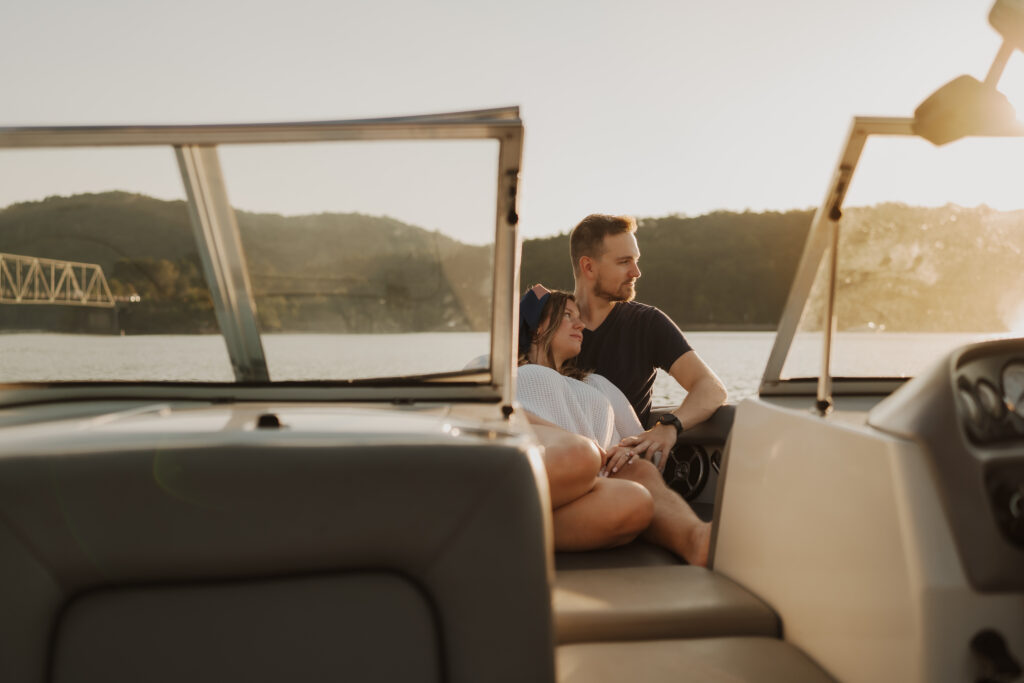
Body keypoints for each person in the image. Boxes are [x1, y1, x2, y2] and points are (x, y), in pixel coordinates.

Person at [517, 285, 711, 565]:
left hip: (596, 484)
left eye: (579, 317)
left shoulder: (598, 385)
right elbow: (480, 410)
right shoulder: (507, 371)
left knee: (637, 484)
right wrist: (575, 444)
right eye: (567, 315)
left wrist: (628, 451)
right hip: (546, 470)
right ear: (536, 328)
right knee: (579, 456)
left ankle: (697, 540)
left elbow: (637, 441)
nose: (580, 324)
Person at [569, 213, 728, 469]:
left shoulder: (647, 323)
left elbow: (711, 388)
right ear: (588, 267)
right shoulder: (547, 324)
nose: (636, 272)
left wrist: (669, 426)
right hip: (563, 462)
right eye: (624, 262)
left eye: (636, 260)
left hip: (621, 467)